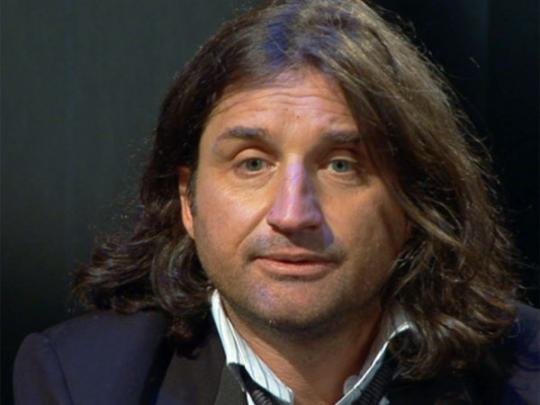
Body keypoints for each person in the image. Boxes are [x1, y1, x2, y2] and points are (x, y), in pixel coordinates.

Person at [13, 0, 539, 404]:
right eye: (252, 164)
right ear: (188, 201)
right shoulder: (80, 381)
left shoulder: (527, 374)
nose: (292, 214)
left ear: (413, 204)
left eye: (341, 165)